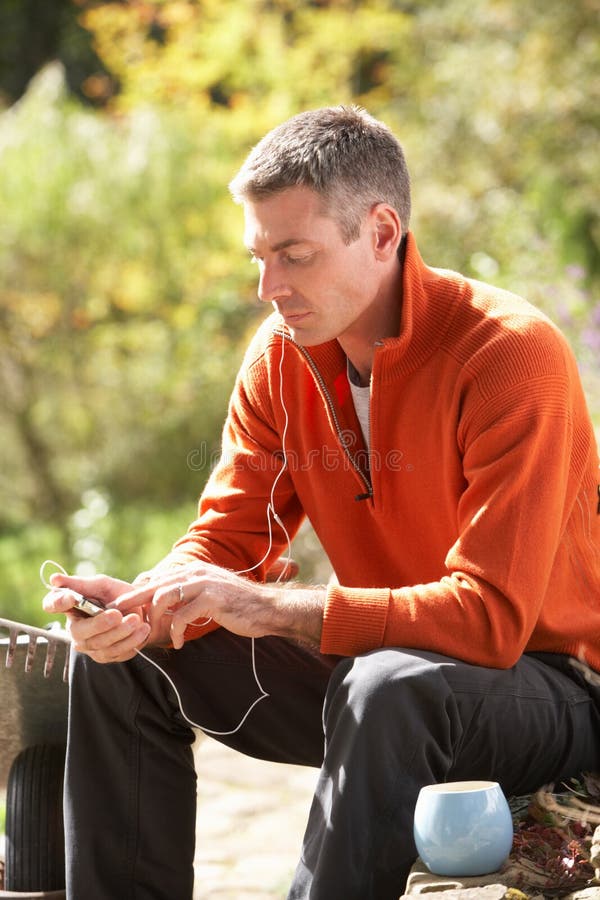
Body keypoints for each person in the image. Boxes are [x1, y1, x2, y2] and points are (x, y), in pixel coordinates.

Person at [44, 105, 600, 900]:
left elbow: (490, 619)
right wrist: (148, 599)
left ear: (380, 232)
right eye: (259, 256)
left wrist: (274, 610)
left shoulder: (509, 355)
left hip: (551, 690)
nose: (268, 288)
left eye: (294, 255)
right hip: (383, 674)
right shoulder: (280, 359)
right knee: (126, 658)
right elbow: (227, 539)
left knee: (385, 684)